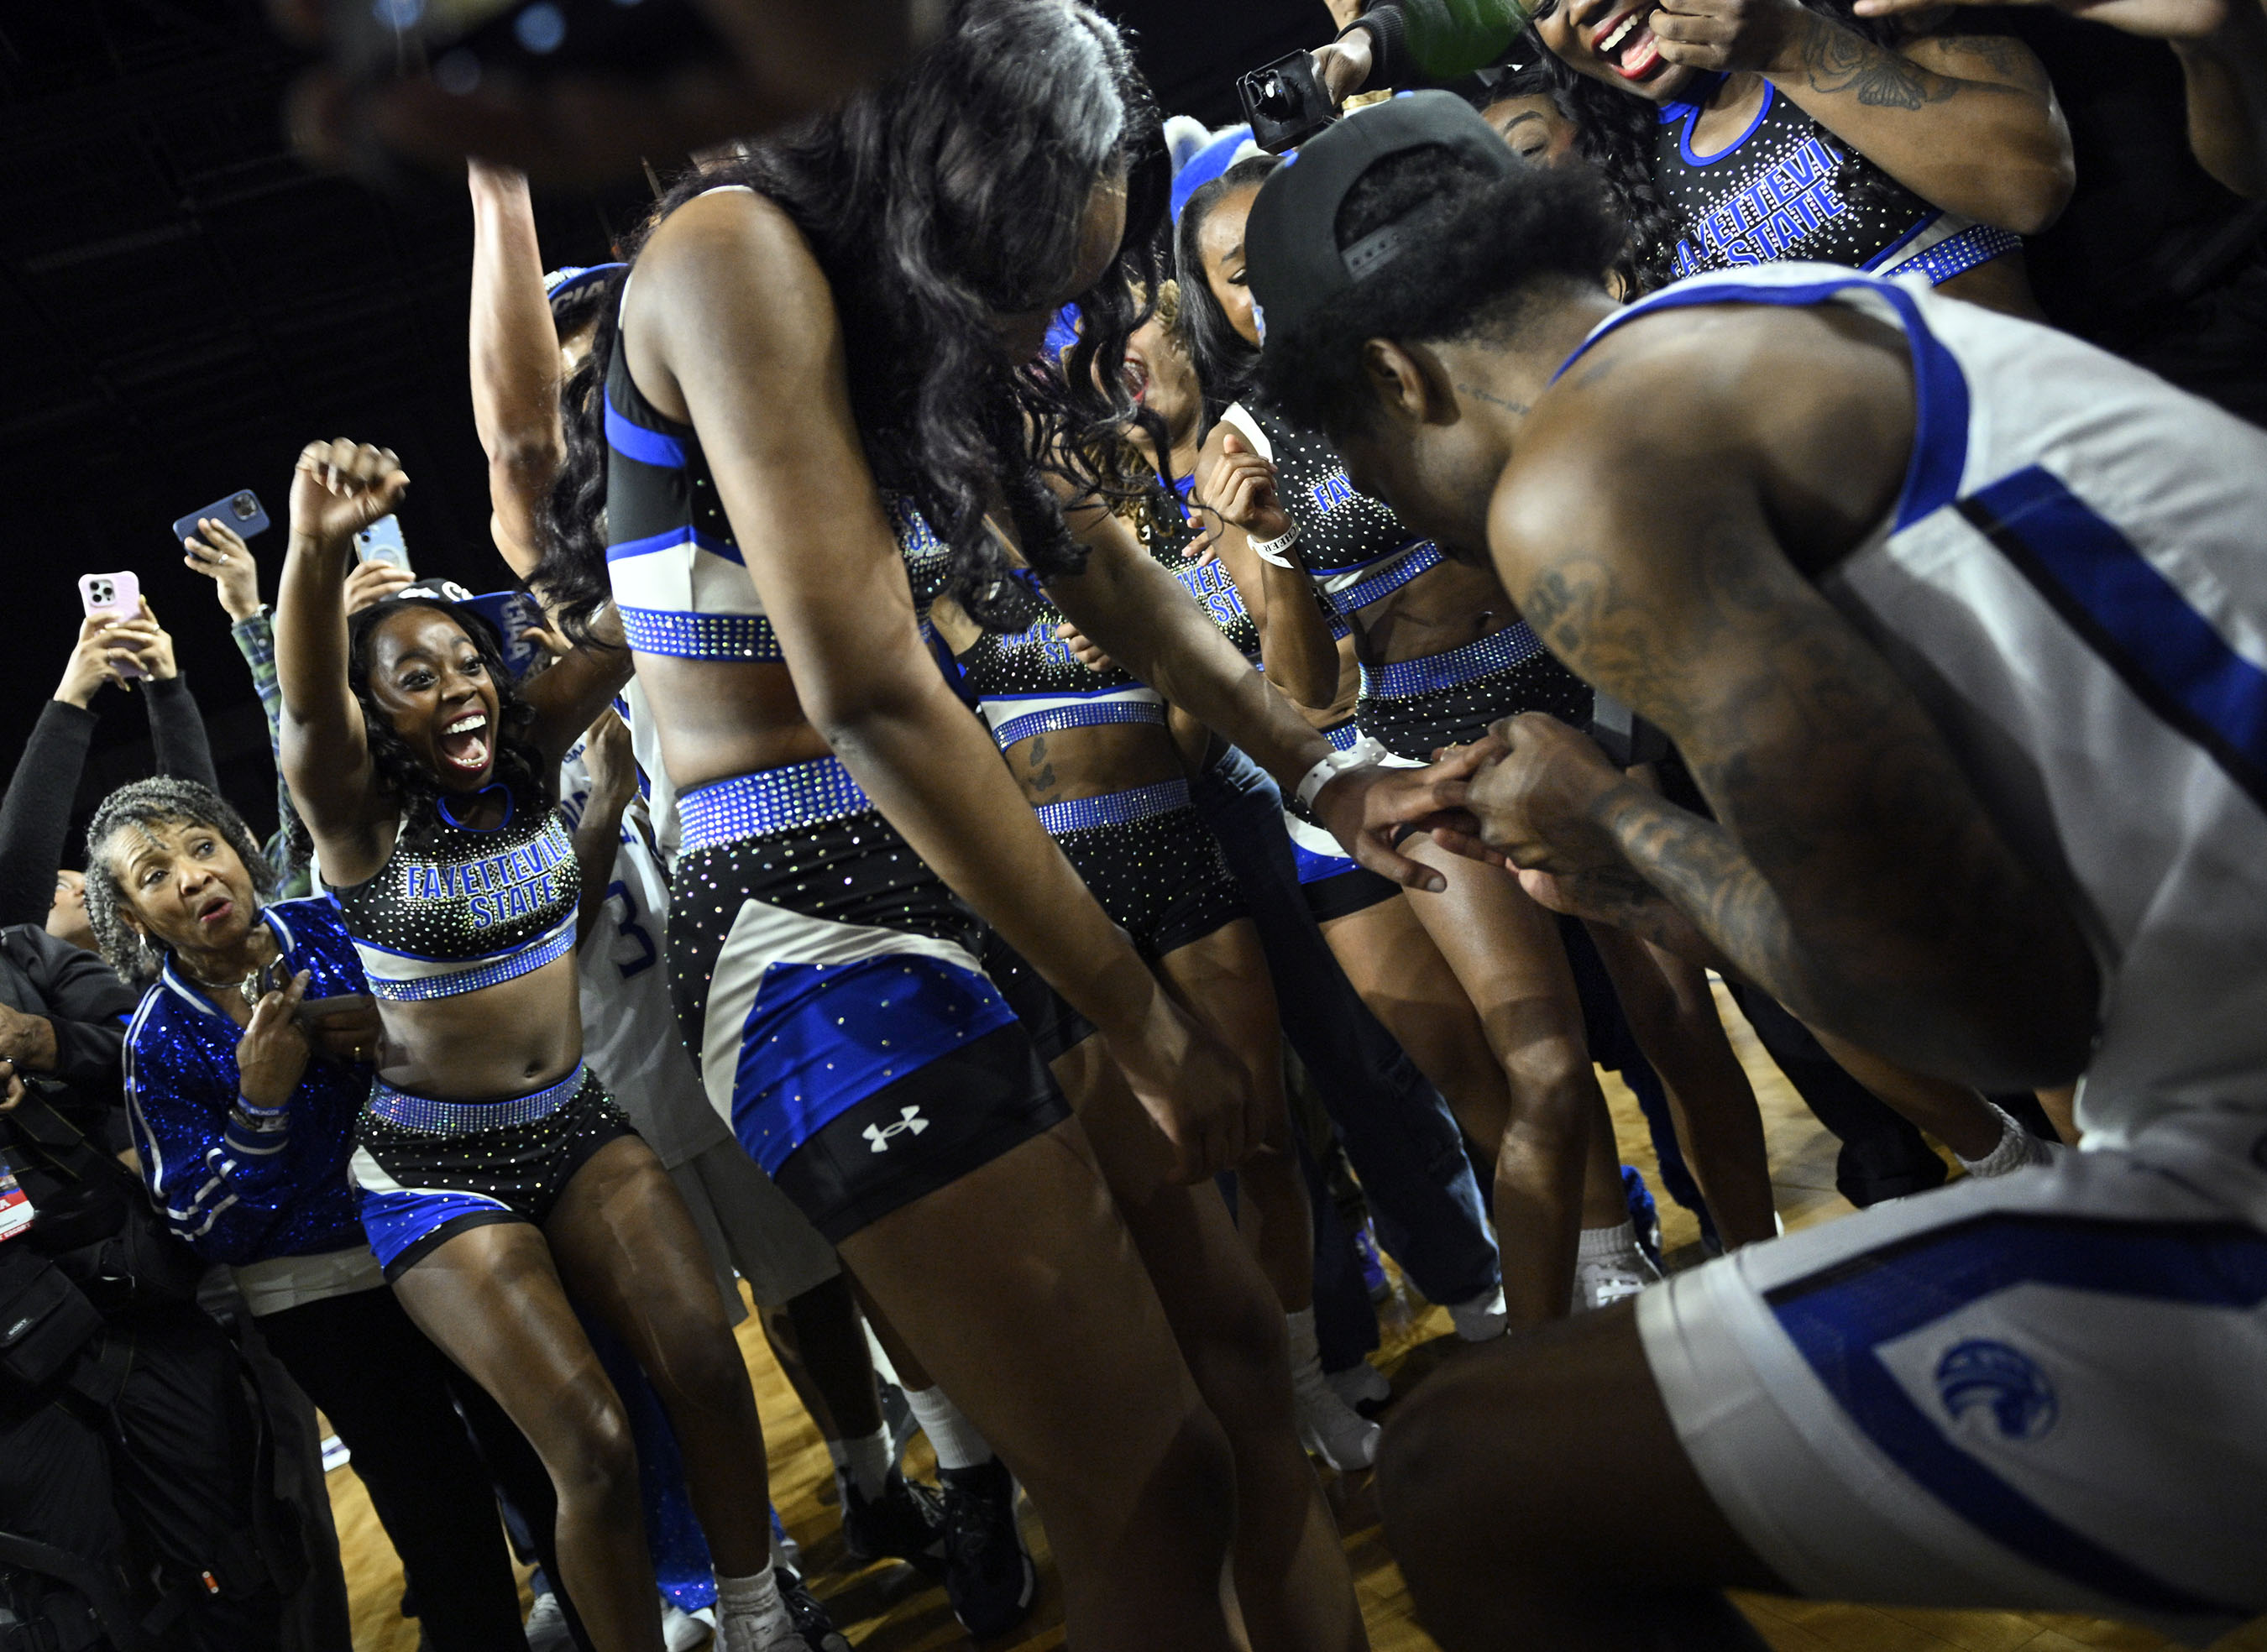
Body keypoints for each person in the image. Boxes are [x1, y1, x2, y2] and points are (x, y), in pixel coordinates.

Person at [1240, 89, 2267, 1646]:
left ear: (1397, 373)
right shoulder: (1785, 313)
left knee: (1465, 1473)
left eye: (1364, 458)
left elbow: (2000, 1024)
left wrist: (1628, 830)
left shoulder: (1587, 469)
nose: (1384, 503)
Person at [534, 5, 1463, 1645]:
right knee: (1151, 1489)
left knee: (1245, 1371)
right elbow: (872, 690)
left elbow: (1099, 564)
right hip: (813, 927)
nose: (1048, 317)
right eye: (1028, 272)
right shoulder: (730, 249)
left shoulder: (896, 301)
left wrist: (1325, 772)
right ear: (941, 185)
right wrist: (1138, 1014)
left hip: (973, 872)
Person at [1182, 153, 1779, 1320]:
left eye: (1277, 259)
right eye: (1235, 277)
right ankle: (1580, 1315)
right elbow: (1303, 696)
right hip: (1425, 756)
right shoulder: (1243, 445)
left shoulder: (1433, 345)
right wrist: (1282, 548)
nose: (1263, 293)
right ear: (1211, 300)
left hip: (1572, 693)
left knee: (1678, 1018)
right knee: (1544, 1070)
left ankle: (1767, 1273)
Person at [271, 445, 833, 1652]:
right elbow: (310, 703)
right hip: (434, 1165)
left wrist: (686, 456)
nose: (458, 688)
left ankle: (755, 1621)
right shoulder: (354, 815)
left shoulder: (525, 768)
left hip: (576, 1120)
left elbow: (634, 625)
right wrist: (315, 554)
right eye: (416, 678)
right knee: (592, 1442)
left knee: (704, 1358)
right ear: (379, 715)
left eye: (470, 662)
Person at [84, 775, 591, 1652]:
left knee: (548, 1464)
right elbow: (206, 1231)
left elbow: (476, 1048)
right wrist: (260, 1104)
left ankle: (604, 1630)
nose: (195, 876)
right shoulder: (156, 1039)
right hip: (321, 1301)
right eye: (155, 872)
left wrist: (400, 1037)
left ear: (241, 852)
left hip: (450, 1233)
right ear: (131, 919)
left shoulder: (336, 926)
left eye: (204, 847)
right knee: (441, 1521)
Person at [0, 895, 290, 1652]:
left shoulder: (26, 956)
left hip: (139, 1308)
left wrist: (41, 1043)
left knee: (235, 1568)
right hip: (17, 1381)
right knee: (75, 1614)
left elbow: (156, 1045)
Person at [1529, 0, 2073, 312]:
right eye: (1546, 3)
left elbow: (2031, 189)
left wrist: (1791, 48)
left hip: (2040, 448)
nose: (1582, 4)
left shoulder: (1869, 10)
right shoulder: (1622, 175)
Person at [1, 601, 217, 949]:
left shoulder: (182, 971)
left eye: (91, 879)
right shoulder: (26, 987)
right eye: (57, 886)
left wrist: (165, 685)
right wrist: (70, 698)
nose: (85, 888)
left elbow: (193, 824)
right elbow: (19, 867)